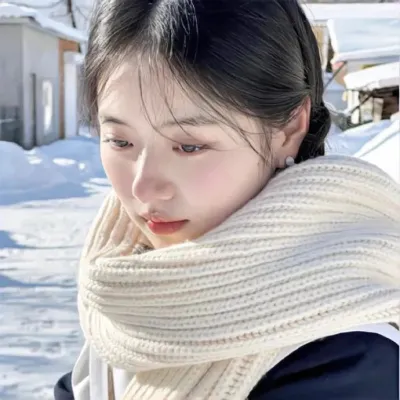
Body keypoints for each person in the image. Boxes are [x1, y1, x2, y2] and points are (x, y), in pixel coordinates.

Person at [54, 0, 400, 399]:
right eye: (120, 141)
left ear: (289, 128)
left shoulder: (343, 354)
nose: (143, 187)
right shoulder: (131, 293)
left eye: (189, 146)